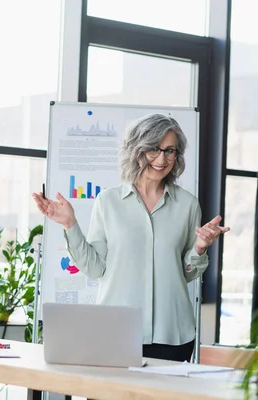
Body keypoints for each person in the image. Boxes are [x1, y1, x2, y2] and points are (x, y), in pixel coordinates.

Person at [32, 113, 229, 362]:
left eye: (170, 151)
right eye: (154, 150)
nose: (162, 159)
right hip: (115, 332)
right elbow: (95, 268)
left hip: (172, 334)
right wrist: (70, 224)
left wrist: (199, 248)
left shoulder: (188, 205)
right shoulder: (108, 201)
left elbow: (187, 272)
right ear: (138, 150)